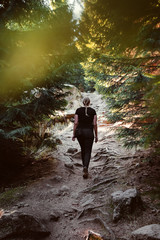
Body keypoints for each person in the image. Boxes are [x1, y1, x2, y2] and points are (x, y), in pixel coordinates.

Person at [72, 97, 98, 178]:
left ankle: (84, 166)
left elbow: (76, 122)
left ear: (83, 102)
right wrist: (96, 135)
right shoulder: (93, 111)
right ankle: (85, 167)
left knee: (83, 149)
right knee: (88, 151)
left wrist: (73, 134)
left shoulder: (78, 110)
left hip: (80, 132)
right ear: (89, 102)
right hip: (89, 133)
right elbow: (94, 124)